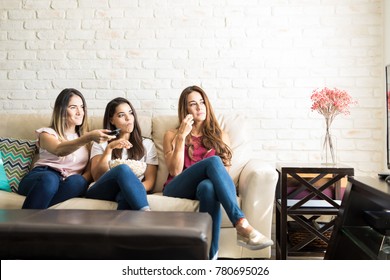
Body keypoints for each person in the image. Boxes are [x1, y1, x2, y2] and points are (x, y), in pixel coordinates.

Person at [162, 85, 274, 259]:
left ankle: (210, 256)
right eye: (193, 104)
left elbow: (224, 176)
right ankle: (241, 223)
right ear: (185, 110)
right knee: (214, 161)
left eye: (202, 102)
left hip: (203, 188)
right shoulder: (172, 134)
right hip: (176, 188)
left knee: (208, 187)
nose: (199, 107)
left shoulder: (220, 135)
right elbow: (175, 171)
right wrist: (181, 137)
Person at [18, 88, 114, 209]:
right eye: (73, 107)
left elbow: (89, 172)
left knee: (79, 181)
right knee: (50, 178)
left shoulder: (89, 141)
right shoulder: (47, 133)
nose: (79, 112)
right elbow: (59, 150)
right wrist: (88, 137)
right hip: (40, 178)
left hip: (67, 183)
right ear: (62, 111)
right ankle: (27, 225)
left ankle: (34, 216)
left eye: (82, 107)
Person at [85, 97, 158, 211]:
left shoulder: (147, 144)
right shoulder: (101, 143)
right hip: (102, 190)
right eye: (121, 115)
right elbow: (97, 176)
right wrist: (110, 148)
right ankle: (146, 214)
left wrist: (130, 189)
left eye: (130, 113)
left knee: (125, 196)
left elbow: (150, 181)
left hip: (130, 190)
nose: (128, 118)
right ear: (111, 120)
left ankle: (119, 228)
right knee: (122, 169)